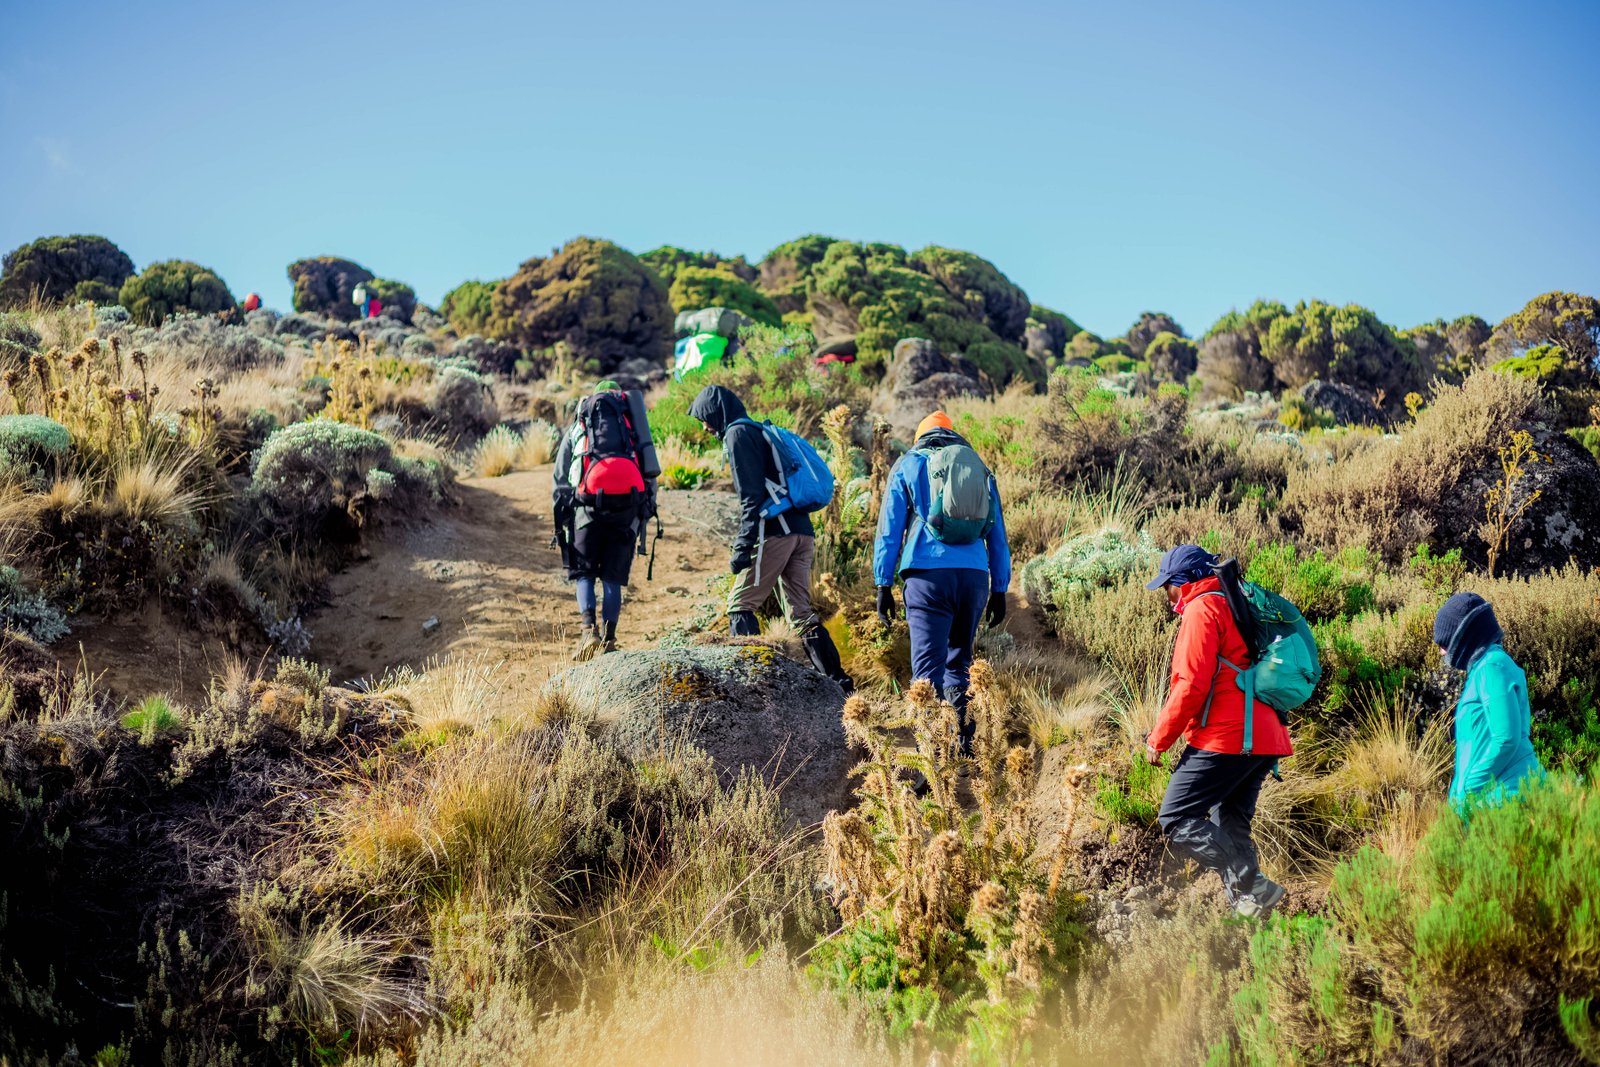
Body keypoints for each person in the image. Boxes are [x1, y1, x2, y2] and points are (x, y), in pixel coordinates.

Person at [1144, 543, 1292, 918]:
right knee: (1230, 822)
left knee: (1176, 817)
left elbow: (1191, 685)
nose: (1167, 595)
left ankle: (1250, 880)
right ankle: (1251, 913)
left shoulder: (1202, 608)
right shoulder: (1233, 602)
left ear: (1184, 582)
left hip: (1228, 737)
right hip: (1264, 736)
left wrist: (1157, 740)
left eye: (1168, 586)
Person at [687, 384, 853, 691]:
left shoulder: (737, 435)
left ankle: (749, 686)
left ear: (717, 413)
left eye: (706, 419)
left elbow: (751, 499)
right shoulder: (758, 431)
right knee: (801, 613)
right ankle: (840, 685)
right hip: (801, 531)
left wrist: (743, 545)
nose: (707, 427)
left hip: (775, 532)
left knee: (740, 604)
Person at [872, 411, 1010, 752]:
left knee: (926, 671)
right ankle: (964, 743)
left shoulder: (909, 464)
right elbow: (998, 536)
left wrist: (882, 583)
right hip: (975, 578)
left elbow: (889, 531)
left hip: (927, 576)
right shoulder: (978, 467)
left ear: (921, 437)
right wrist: (1000, 588)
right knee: (960, 662)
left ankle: (932, 757)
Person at [553, 380, 654, 660]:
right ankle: (609, 640)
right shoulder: (633, 430)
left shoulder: (581, 424)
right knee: (612, 579)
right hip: (625, 512)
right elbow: (650, 474)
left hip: (586, 511)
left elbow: (561, 476)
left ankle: (588, 632)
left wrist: (562, 517)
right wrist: (641, 517)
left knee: (584, 573)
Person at [1434, 592, 1545, 807]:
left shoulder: (1492, 667)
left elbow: (1507, 739)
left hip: (1510, 802)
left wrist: (1469, 789)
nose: (1441, 652)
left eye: (1444, 643)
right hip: (1498, 801)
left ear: (1463, 636)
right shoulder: (1485, 670)